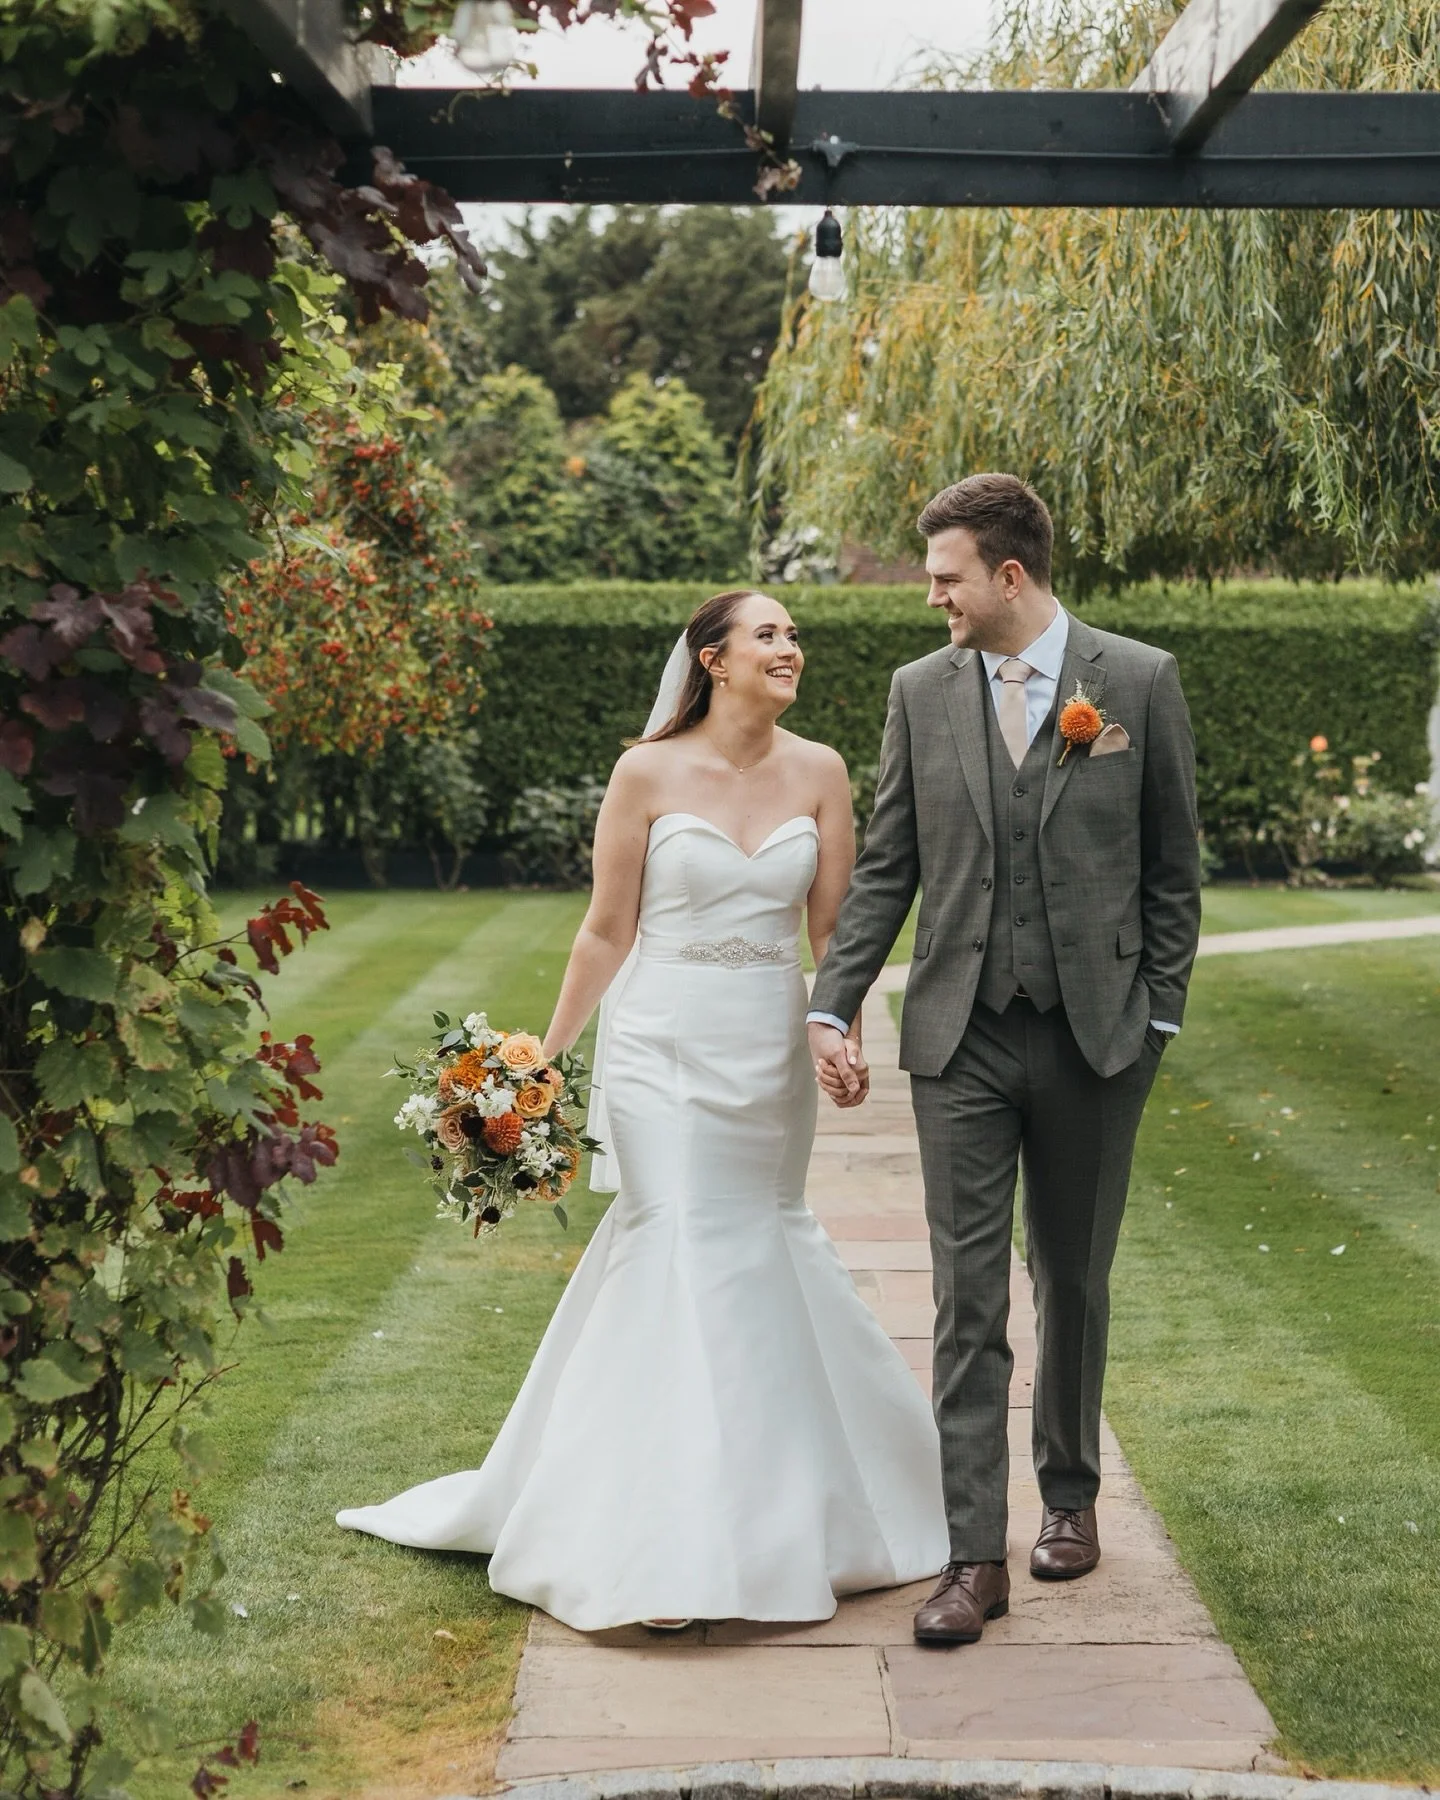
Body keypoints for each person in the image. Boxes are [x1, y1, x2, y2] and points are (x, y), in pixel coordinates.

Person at [337, 588, 947, 1632]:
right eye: (768, 634)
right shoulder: (646, 773)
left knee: (764, 1237)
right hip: (661, 1043)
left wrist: (840, 1033)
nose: (790, 648)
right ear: (714, 659)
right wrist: (538, 1062)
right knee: (675, 1240)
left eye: (794, 635)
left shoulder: (822, 771)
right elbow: (605, 931)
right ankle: (662, 1541)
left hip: (768, 1048)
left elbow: (837, 933)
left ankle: (790, 1509)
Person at [808, 474, 1202, 1646]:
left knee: (1071, 1279)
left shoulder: (1138, 681)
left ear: (1009, 576)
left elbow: (1173, 870)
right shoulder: (919, 692)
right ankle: (973, 1558)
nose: (933, 598)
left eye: (947, 578)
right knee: (966, 1297)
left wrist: (1157, 1021)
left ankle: (1070, 1500)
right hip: (960, 1036)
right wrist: (833, 1003)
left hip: (1097, 1037)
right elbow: (889, 864)